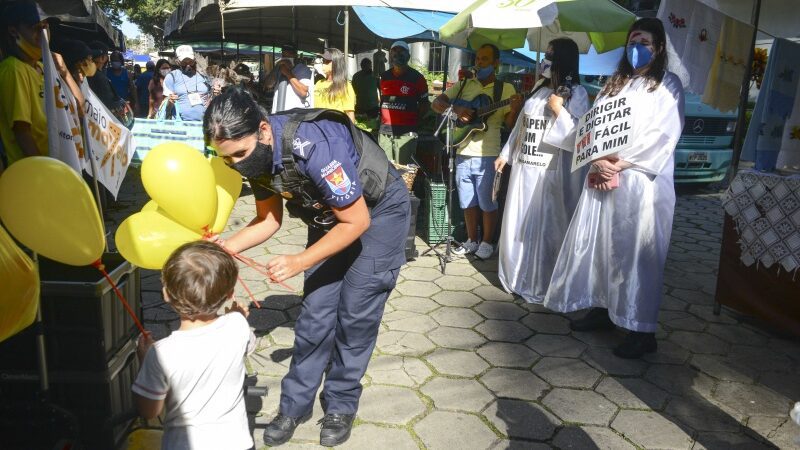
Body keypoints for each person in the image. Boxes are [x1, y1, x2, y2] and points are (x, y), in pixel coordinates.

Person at [204, 88, 410, 447]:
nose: (236, 164)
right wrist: (224, 248)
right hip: (329, 214)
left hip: (376, 213)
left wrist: (299, 261)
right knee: (316, 314)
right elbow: (268, 220)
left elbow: (357, 221)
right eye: (227, 159)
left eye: (240, 154)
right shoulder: (256, 156)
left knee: (355, 314)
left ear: (264, 131)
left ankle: (341, 404)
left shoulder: (314, 145)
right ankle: (294, 405)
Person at [543, 18, 685, 359]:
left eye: (645, 40)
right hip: (602, 176)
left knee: (637, 254)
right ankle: (603, 308)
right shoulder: (614, 84)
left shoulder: (668, 84)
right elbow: (594, 124)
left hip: (641, 181)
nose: (637, 45)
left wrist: (619, 163)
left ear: (659, 47)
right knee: (602, 247)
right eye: (633, 38)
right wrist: (597, 159)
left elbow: (664, 134)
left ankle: (640, 328)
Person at [132, 240, 255, 450]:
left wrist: (145, 360)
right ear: (229, 293)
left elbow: (149, 411)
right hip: (237, 443)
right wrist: (238, 316)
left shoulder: (161, 353)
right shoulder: (237, 325)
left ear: (166, 294)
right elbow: (248, 345)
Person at [494, 38, 590, 304]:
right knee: (519, 222)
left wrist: (559, 110)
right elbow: (522, 125)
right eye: (545, 53)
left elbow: (579, 137)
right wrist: (506, 153)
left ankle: (543, 282)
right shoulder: (538, 89)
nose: (545, 59)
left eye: (551, 55)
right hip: (525, 168)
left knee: (546, 228)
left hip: (550, 174)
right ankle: (515, 276)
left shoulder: (576, 93)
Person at [432, 43, 522, 260]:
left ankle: (487, 242)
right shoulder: (464, 85)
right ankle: (471, 240)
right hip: (462, 150)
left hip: (488, 154)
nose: (479, 63)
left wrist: (516, 109)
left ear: (496, 64)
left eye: (484, 59)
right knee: (467, 201)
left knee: (487, 202)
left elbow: (510, 125)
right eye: (478, 59)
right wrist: (458, 109)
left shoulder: (505, 90)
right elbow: (437, 103)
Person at [0, 1, 49, 165]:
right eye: (36, 28)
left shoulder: (43, 67)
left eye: (45, 27)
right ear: (14, 31)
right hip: (32, 172)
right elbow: (22, 131)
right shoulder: (14, 69)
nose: (43, 34)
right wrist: (43, 169)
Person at [378, 40, 429, 164]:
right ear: (390, 55)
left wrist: (413, 121)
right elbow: (380, 100)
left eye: (401, 51)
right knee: (385, 168)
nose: (397, 54)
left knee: (404, 172)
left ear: (408, 55)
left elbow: (425, 104)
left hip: (407, 133)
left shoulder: (417, 78)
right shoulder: (383, 77)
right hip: (385, 132)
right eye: (394, 51)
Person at [164, 45, 216, 121]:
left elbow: (212, 99)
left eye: (190, 62)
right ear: (177, 62)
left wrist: (216, 94)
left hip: (204, 123)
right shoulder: (171, 77)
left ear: (194, 60)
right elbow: (165, 108)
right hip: (181, 125)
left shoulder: (204, 76)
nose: (188, 65)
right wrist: (169, 102)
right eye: (184, 63)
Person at [267, 43, 313, 113]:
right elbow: (268, 84)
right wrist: (276, 67)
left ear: (295, 56)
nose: (286, 57)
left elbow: (303, 92)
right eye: (284, 55)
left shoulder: (303, 69)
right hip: (277, 113)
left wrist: (288, 73)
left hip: (294, 116)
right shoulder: (279, 68)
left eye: (289, 55)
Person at [313, 48, 356, 122]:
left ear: (336, 63)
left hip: (335, 129)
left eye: (327, 62)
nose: (324, 64)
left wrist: (350, 132)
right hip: (318, 128)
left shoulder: (345, 86)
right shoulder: (318, 83)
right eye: (323, 61)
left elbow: (349, 114)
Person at [86, 40, 119, 110]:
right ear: (103, 58)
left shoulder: (85, 74)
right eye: (107, 55)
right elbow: (109, 104)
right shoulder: (99, 77)